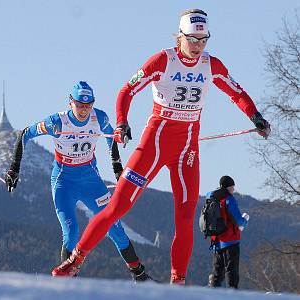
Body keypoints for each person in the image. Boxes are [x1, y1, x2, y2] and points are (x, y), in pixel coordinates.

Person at [51, 9, 270, 284]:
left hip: (187, 151)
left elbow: (236, 92)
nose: (198, 46)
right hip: (154, 145)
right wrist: (121, 123)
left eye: (204, 40)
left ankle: (177, 282)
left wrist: (255, 116)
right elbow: (126, 91)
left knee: (185, 217)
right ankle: (75, 259)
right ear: (181, 36)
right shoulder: (163, 60)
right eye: (193, 40)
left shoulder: (211, 65)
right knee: (117, 207)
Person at [4, 81, 151, 281]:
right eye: (80, 105)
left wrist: (118, 169)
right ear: (71, 102)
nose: (84, 110)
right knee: (71, 232)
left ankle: (139, 274)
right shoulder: (57, 122)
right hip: (64, 182)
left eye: (88, 105)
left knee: (115, 227)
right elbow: (24, 134)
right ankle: (67, 282)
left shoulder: (99, 117)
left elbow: (111, 139)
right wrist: (14, 168)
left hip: (91, 181)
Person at [207, 176, 249, 289]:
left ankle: (213, 294)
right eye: (232, 187)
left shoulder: (212, 199)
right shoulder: (229, 199)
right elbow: (239, 221)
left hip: (216, 241)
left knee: (217, 273)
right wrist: (245, 221)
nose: (233, 190)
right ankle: (233, 295)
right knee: (232, 270)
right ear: (228, 187)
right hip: (231, 241)